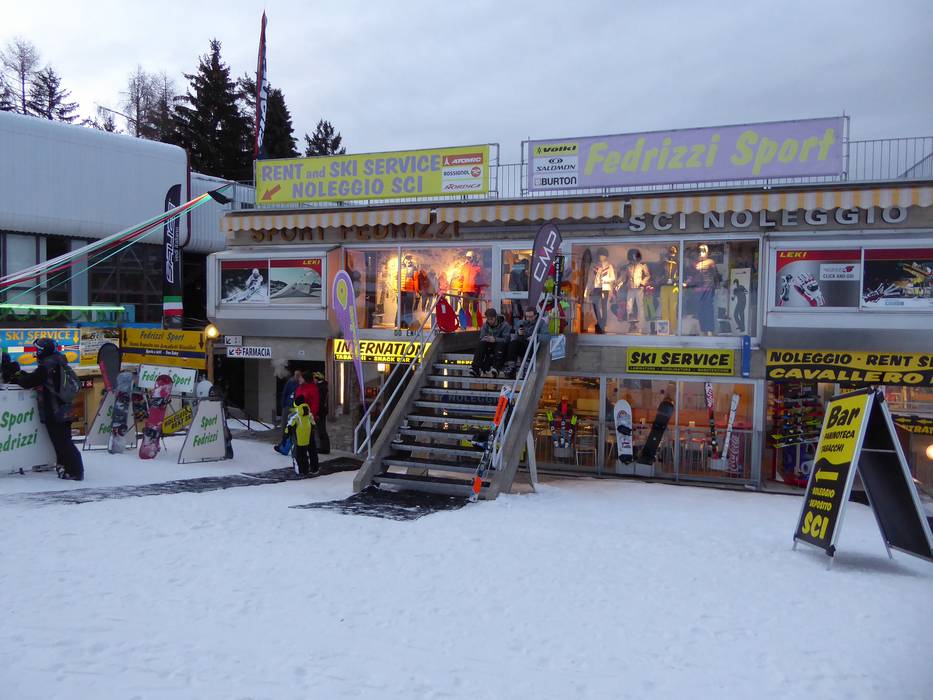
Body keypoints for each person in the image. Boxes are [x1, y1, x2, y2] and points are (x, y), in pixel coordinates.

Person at [6, 338, 84, 480]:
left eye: (38, 350)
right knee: (64, 441)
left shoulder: (47, 366)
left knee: (63, 443)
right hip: (65, 409)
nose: (36, 353)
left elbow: (29, 381)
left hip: (54, 411)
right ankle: (65, 467)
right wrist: (21, 374)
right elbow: (36, 378)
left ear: (44, 351)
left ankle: (75, 471)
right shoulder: (59, 362)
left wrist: (16, 375)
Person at [504, 308, 550, 379]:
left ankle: (526, 367)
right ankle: (511, 366)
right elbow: (514, 336)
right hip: (522, 345)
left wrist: (535, 337)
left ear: (535, 315)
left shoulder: (541, 323)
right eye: (527, 316)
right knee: (513, 343)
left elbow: (547, 337)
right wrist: (518, 333)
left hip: (532, 347)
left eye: (530, 316)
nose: (528, 318)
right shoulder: (520, 322)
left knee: (531, 342)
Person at [471, 308, 511, 378]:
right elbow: (481, 337)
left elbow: (507, 339)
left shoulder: (505, 325)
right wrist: (486, 339)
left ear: (496, 317)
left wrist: (495, 339)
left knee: (501, 344)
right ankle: (475, 368)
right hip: (489, 345)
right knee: (481, 343)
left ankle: (496, 368)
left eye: (491, 319)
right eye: (488, 319)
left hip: (500, 347)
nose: (490, 321)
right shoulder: (485, 325)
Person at [287, 400, 319, 477]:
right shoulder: (309, 413)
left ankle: (302, 470)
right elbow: (313, 424)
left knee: (299, 453)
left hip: (299, 437)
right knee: (311, 451)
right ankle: (314, 468)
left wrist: (286, 434)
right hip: (309, 434)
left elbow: (289, 426)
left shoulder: (295, 415)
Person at [313, 371, 330, 454]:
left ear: (318, 379)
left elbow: (320, 402)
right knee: (321, 430)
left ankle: (325, 448)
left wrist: (317, 412)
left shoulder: (321, 388)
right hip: (322, 411)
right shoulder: (323, 387)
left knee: (321, 430)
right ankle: (323, 447)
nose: (313, 380)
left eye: (314, 378)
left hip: (320, 412)